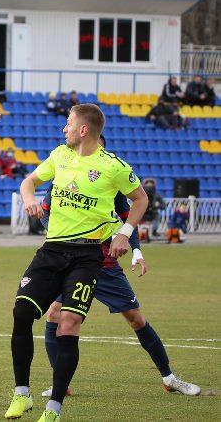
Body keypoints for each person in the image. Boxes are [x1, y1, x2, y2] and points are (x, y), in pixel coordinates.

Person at [5, 103, 148, 422]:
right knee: (22, 312)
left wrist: (124, 234)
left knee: (68, 322)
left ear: (84, 129)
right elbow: (28, 182)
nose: (64, 128)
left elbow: (141, 199)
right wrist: (29, 200)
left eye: (68, 123)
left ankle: (54, 409)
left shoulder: (113, 166)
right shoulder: (60, 155)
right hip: (52, 250)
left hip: (87, 256)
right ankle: (22, 394)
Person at [38, 136, 201, 400]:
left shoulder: (109, 177)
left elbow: (128, 217)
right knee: (54, 314)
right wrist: (58, 234)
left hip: (102, 262)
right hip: (69, 259)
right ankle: (60, 384)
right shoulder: (63, 174)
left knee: (135, 318)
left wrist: (136, 250)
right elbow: (46, 211)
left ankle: (169, 378)